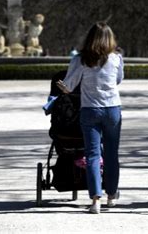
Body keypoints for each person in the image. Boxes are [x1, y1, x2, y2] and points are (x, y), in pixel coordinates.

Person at [56, 21, 124, 214]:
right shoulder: (117, 58)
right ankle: (111, 195)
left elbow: (69, 86)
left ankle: (96, 200)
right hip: (112, 108)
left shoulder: (80, 59)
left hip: (90, 109)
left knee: (93, 154)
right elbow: (118, 80)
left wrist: (64, 86)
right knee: (111, 154)